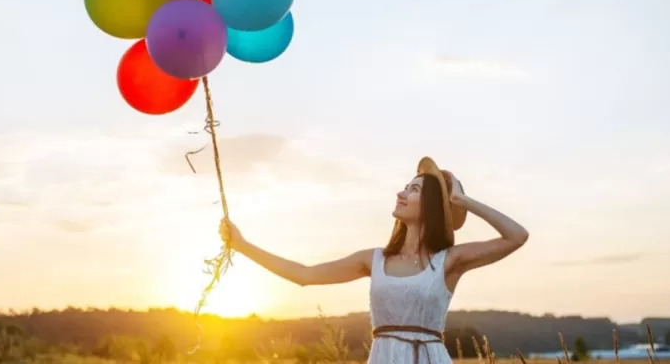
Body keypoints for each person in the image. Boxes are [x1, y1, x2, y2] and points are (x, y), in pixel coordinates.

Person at [219, 156, 530, 364]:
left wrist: (462, 201)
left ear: (434, 207)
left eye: (414, 190)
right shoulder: (374, 260)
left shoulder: (448, 261)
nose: (401, 192)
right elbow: (303, 274)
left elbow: (516, 236)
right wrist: (242, 245)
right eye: (406, 186)